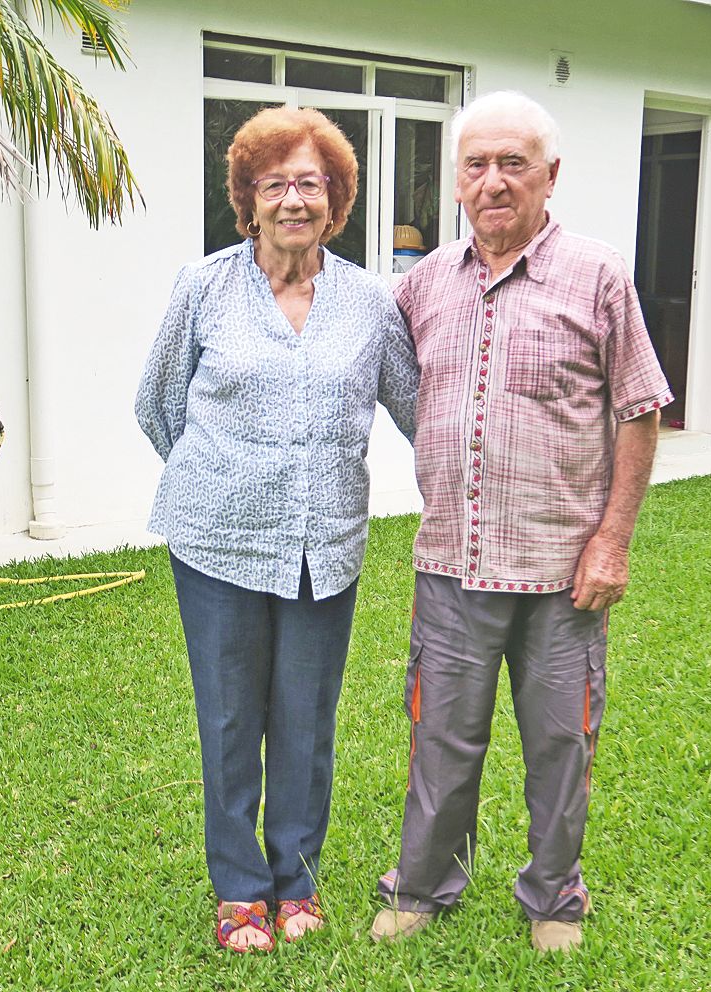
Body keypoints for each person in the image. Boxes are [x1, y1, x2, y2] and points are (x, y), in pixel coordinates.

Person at [371, 91, 672, 954]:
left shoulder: (598, 274)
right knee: (440, 737)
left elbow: (640, 409)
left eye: (513, 163)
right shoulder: (423, 285)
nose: (494, 182)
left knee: (560, 743)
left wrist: (613, 542)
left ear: (550, 174)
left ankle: (554, 898)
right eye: (477, 165)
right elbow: (398, 387)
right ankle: (422, 886)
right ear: (455, 180)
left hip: (562, 571)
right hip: (452, 561)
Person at [135, 107, 418, 953]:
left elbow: (417, 408)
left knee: (305, 719)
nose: (294, 199)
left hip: (322, 547)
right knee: (229, 721)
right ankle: (239, 889)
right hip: (216, 545)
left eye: (311, 183)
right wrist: (222, 479)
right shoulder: (203, 287)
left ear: (336, 200)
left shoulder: (369, 303)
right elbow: (157, 404)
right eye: (275, 184)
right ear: (248, 199)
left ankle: (295, 881)